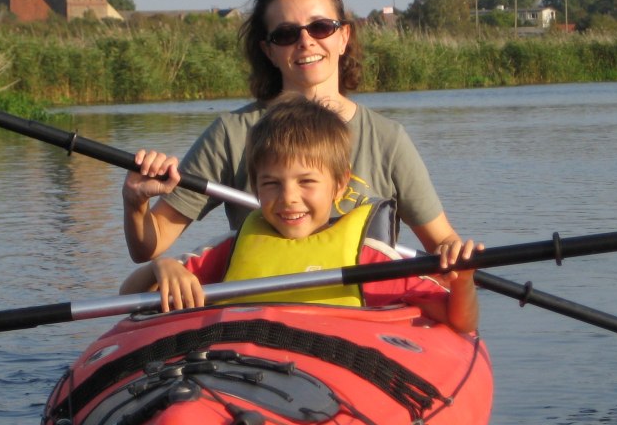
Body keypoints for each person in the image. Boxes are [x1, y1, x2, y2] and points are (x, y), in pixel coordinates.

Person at [122, 0, 467, 271]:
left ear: (344, 37)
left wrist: (456, 254)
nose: (305, 41)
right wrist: (137, 202)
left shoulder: (388, 139)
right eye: (286, 34)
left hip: (361, 321)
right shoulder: (232, 135)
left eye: (320, 27)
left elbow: (441, 244)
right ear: (269, 51)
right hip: (261, 319)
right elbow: (148, 247)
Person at [120, 98, 479, 333]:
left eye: (307, 182)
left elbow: (458, 322)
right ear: (256, 188)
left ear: (340, 186)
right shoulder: (229, 250)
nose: (289, 198)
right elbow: (128, 297)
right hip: (239, 373)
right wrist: (161, 268)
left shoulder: (368, 258)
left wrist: (463, 281)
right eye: (271, 183)